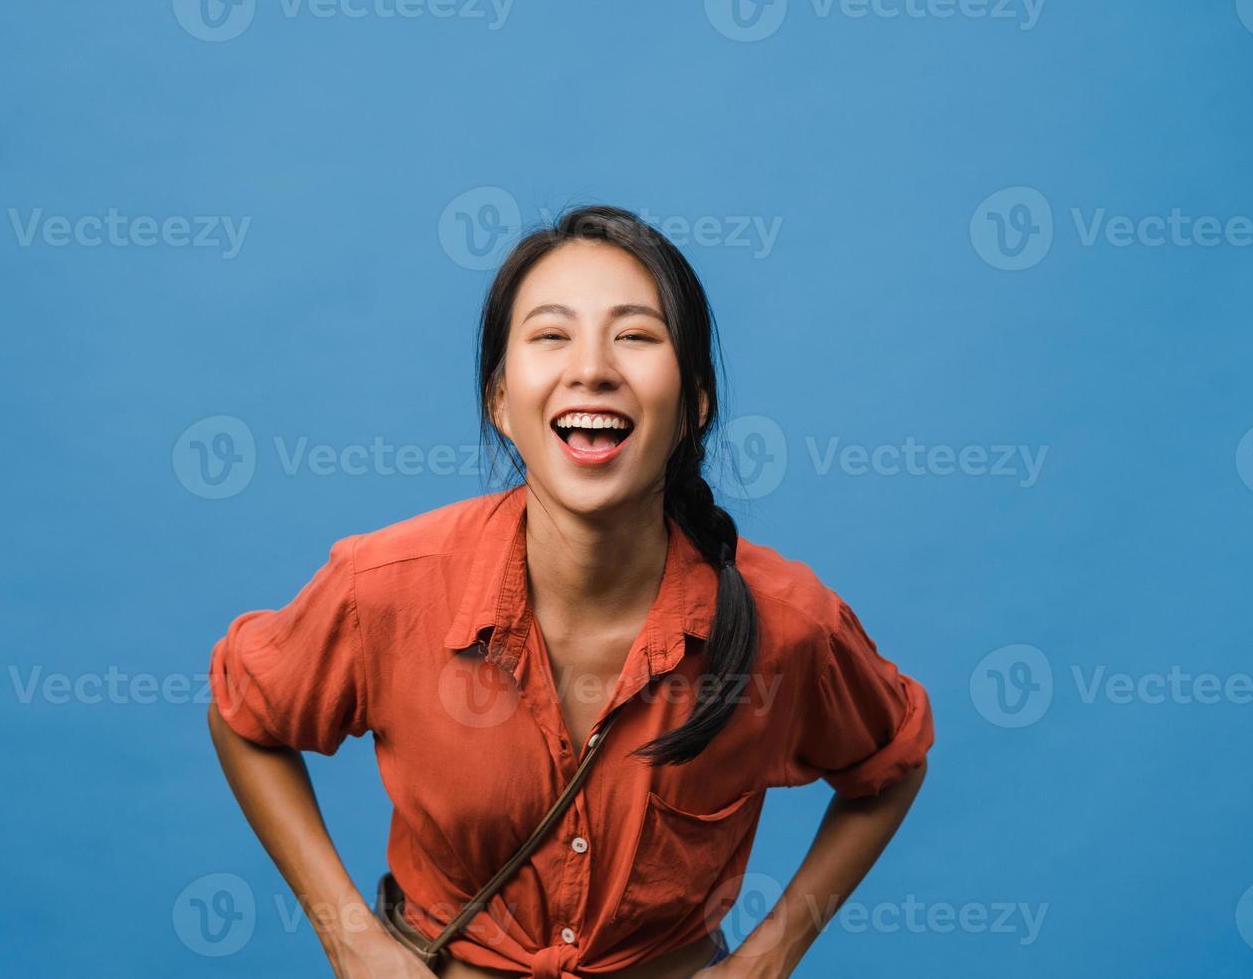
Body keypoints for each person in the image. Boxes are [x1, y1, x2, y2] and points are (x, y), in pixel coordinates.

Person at [206, 204, 935, 978]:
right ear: (500, 402)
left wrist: (768, 959)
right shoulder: (384, 588)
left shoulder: (788, 623)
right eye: (552, 335)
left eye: (635, 335)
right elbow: (243, 714)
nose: (591, 368)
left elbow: (892, 764)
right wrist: (348, 936)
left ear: (695, 403)